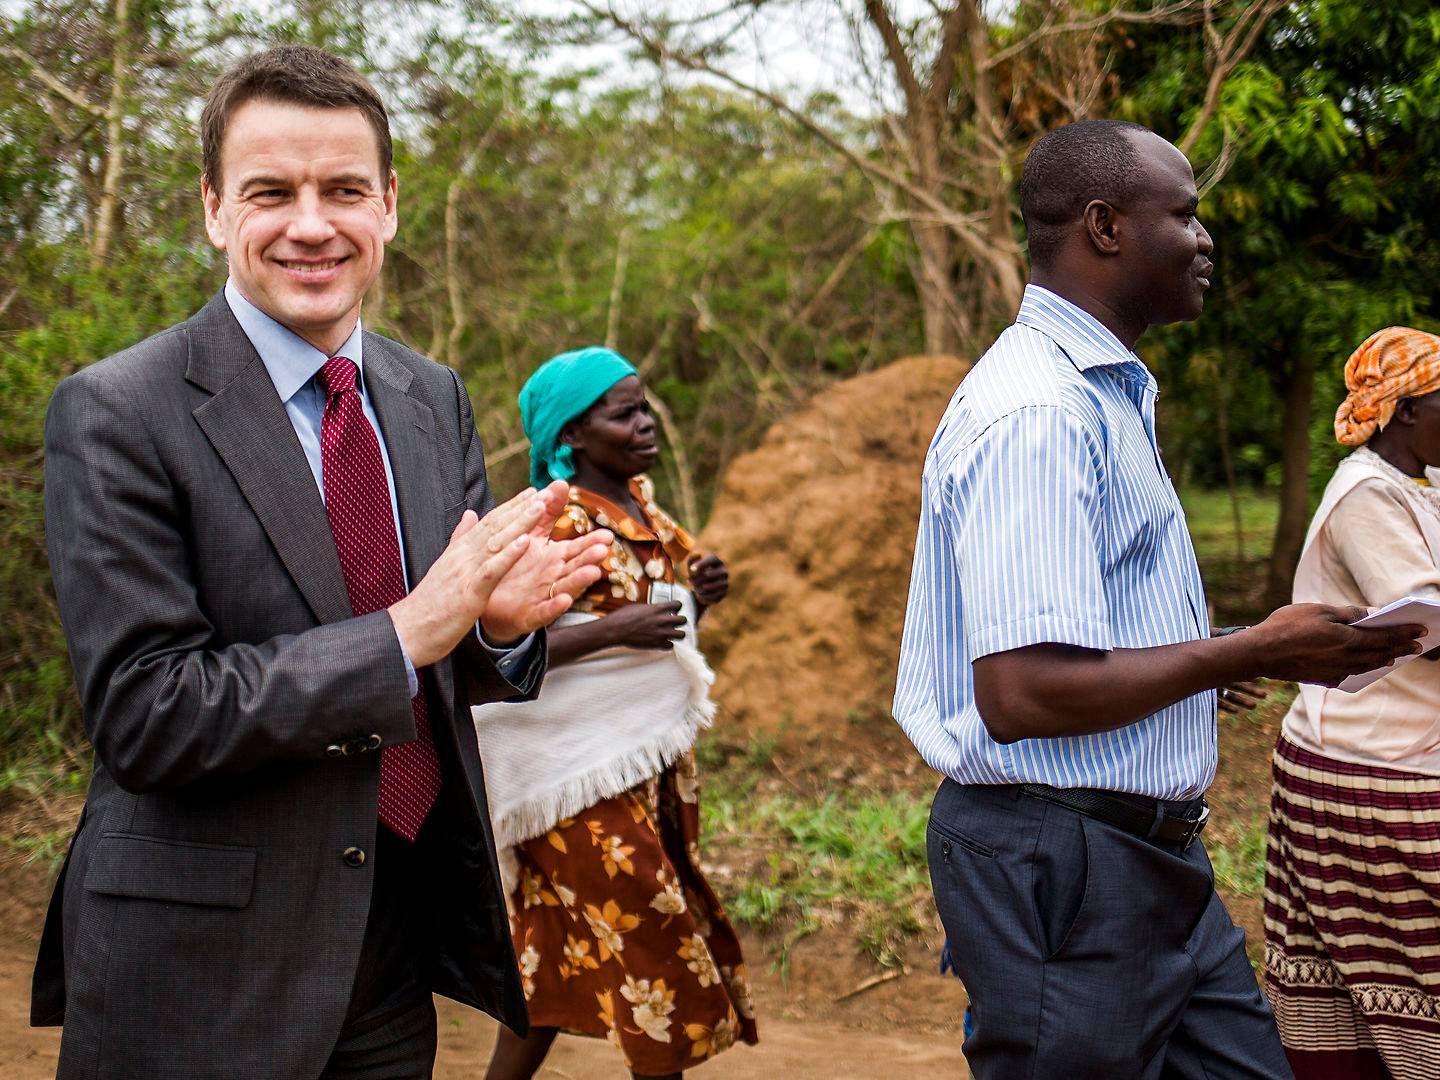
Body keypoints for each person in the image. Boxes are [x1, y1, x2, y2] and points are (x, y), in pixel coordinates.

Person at [30, 45, 613, 1079]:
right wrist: (412, 630)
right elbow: (145, 713)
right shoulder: (118, 412)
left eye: (343, 189)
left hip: (388, 946)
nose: (311, 224)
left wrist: (497, 628)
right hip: (201, 968)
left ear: (387, 205)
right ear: (214, 208)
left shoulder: (431, 396)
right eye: (271, 192)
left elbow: (439, 659)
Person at [891, 118, 1426, 1079]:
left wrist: (1217, 650)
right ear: (1105, 227)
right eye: (1185, 214)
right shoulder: (1040, 416)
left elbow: (1087, 635)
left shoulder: (1104, 395)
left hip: (1149, 859)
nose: (1206, 238)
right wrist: (1253, 651)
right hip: (1066, 860)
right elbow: (1023, 694)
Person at [476, 348, 758, 1080]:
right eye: (623, 412)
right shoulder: (554, 520)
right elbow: (497, 642)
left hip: (641, 769)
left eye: (644, 406)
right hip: (573, 784)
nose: (645, 422)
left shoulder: (645, 506)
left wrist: (702, 594)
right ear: (570, 436)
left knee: (547, 966)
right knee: (652, 943)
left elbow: (664, 626)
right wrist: (614, 632)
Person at [1264, 326, 1440, 1080]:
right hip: (1370, 771)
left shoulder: (1419, 485)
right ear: (1405, 412)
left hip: (1394, 761)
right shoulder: (1366, 495)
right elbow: (1424, 621)